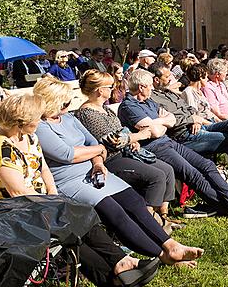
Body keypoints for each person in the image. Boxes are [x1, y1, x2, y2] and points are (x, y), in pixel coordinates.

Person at [0, 94, 160, 287]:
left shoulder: (27, 137)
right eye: (37, 117)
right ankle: (114, 275)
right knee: (68, 223)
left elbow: (43, 169)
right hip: (8, 210)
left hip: (36, 203)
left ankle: (118, 269)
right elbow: (17, 191)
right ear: (21, 122)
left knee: (79, 216)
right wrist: (54, 205)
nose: (41, 120)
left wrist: (54, 196)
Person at [32, 77, 202, 266]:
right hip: (69, 180)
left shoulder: (68, 118)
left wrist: (97, 162)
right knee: (114, 210)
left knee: (135, 201)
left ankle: (171, 245)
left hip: (93, 171)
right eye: (64, 102)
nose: (68, 104)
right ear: (50, 101)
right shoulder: (40, 126)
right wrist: (99, 151)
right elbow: (67, 154)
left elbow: (93, 143)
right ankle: (162, 255)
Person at [117, 69, 228, 217]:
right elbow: (155, 132)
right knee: (191, 173)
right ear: (141, 87)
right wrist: (162, 123)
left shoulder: (148, 101)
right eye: (149, 85)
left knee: (206, 165)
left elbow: (171, 119)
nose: (151, 88)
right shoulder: (129, 106)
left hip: (167, 141)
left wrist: (159, 123)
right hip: (154, 147)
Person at [74, 70, 181, 232]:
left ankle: (162, 216)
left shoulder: (105, 109)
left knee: (167, 170)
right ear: (99, 90)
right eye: (109, 87)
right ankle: (147, 223)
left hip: (124, 153)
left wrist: (133, 140)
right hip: (110, 159)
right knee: (156, 176)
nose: (113, 89)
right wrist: (139, 136)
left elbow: (122, 131)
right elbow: (111, 141)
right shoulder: (88, 113)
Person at [158, 64, 228, 197]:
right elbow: (194, 115)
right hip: (201, 127)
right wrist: (199, 120)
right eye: (206, 76)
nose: (208, 79)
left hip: (211, 122)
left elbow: (205, 112)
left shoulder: (199, 92)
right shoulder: (188, 92)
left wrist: (222, 120)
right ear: (201, 77)